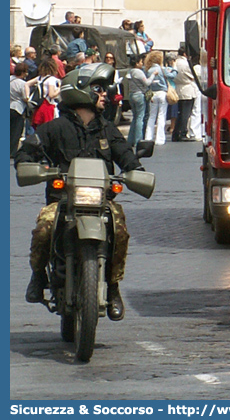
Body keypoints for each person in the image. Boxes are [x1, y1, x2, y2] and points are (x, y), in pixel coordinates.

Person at [16, 63, 142, 320]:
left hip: (101, 203)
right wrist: (28, 164)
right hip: (63, 201)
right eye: (98, 89)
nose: (105, 94)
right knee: (44, 226)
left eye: (104, 89)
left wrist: (135, 169)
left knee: (120, 229)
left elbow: (124, 154)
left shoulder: (107, 129)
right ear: (81, 91)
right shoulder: (55, 128)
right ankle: (38, 277)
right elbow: (27, 150)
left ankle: (114, 287)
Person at [143, 50, 172, 145]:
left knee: (152, 116)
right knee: (161, 116)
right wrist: (174, 68)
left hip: (153, 93)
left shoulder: (148, 69)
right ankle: (160, 139)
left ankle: (148, 137)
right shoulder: (161, 69)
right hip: (162, 93)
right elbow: (172, 75)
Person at [172, 46, 199, 142]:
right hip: (187, 88)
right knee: (185, 113)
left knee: (180, 113)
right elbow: (193, 76)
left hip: (178, 88)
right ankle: (183, 132)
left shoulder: (175, 63)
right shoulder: (185, 64)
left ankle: (176, 132)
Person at [122, 54, 149, 148]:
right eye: (141, 62)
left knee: (135, 117)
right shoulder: (138, 72)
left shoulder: (130, 72)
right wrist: (153, 75)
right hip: (139, 95)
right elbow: (147, 82)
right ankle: (138, 140)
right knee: (140, 118)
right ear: (137, 63)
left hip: (131, 95)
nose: (142, 64)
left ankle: (130, 140)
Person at [31, 58, 62, 128]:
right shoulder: (52, 79)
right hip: (48, 106)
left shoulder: (39, 78)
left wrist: (27, 96)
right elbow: (51, 95)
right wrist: (59, 89)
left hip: (39, 106)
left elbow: (27, 84)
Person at [10, 61, 33, 156]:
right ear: (23, 72)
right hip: (17, 108)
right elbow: (25, 98)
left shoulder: (9, 79)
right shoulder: (23, 84)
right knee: (15, 132)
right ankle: (11, 151)